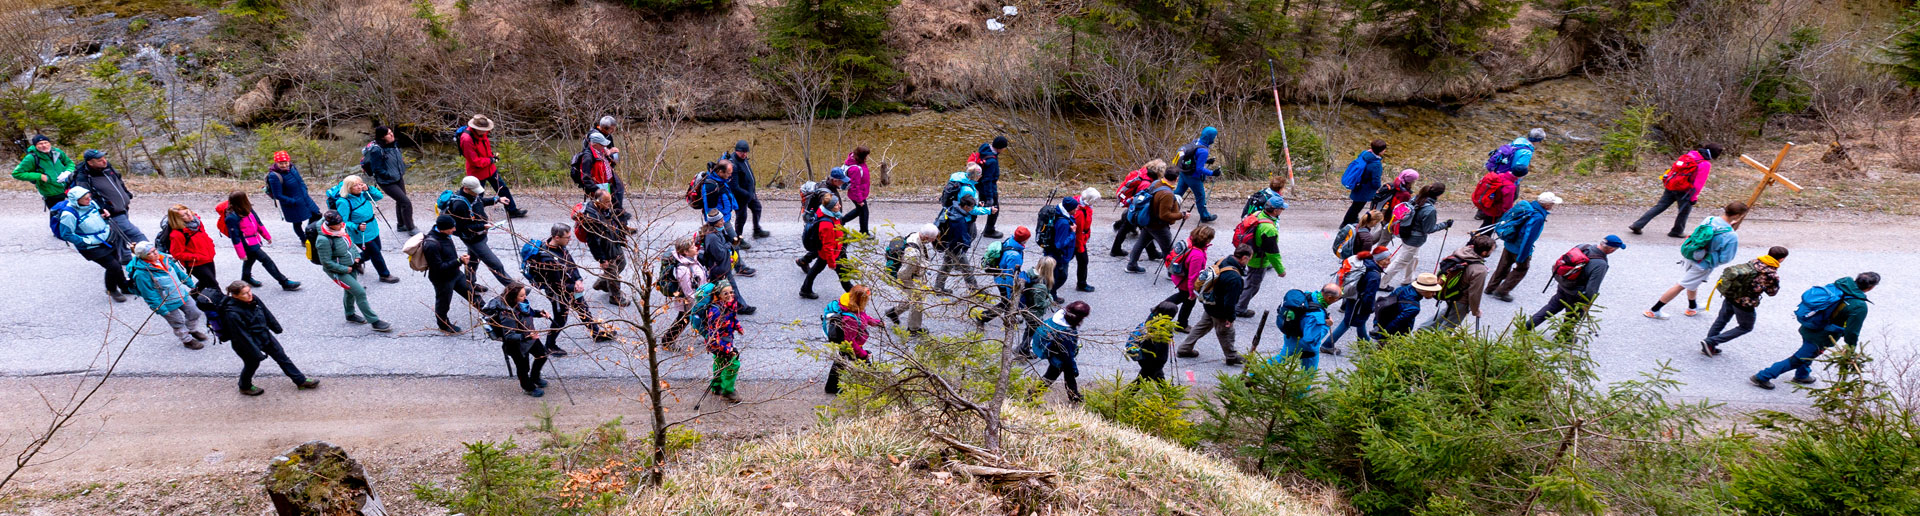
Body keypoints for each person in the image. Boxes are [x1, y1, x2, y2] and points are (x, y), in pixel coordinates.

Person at [1750, 272, 1877, 390]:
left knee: (1808, 352)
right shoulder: (1859, 305)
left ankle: (1802, 375)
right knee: (1799, 358)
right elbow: (1852, 331)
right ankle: (1762, 376)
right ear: (1871, 288)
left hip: (1810, 325)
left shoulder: (1841, 285)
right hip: (1823, 336)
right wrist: (1851, 348)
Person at [1645, 202, 1747, 320]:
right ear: (1737, 216)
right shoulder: (1731, 235)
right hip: (1703, 264)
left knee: (1693, 282)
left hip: (1691, 254)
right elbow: (1726, 258)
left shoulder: (1710, 219)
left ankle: (1692, 307)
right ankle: (1654, 310)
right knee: (1681, 285)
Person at [219, 281, 318, 396]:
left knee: (281, 356)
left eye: (249, 291)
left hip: (263, 335)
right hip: (245, 343)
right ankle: (244, 386)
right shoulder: (232, 314)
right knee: (252, 364)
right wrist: (256, 353)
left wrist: (276, 327)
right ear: (235, 296)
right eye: (245, 293)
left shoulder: (253, 299)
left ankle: (300, 381)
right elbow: (242, 336)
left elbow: (265, 312)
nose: (250, 294)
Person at [525, 224, 609, 356]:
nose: (570, 240)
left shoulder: (560, 246)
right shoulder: (547, 259)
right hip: (558, 294)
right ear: (557, 237)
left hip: (572, 287)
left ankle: (596, 333)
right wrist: (574, 287)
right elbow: (556, 285)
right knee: (560, 319)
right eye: (568, 237)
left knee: (583, 308)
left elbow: (571, 264)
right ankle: (550, 345)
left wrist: (578, 279)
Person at [1701, 246, 1787, 356]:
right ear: (1781, 259)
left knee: (1722, 320)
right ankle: (1711, 342)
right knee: (1746, 327)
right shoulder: (1771, 274)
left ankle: (1709, 346)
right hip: (1745, 303)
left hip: (1731, 294)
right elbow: (1772, 293)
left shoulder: (1755, 261)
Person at [314, 211, 392, 332]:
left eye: (341, 223)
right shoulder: (323, 240)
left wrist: (357, 257)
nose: (341, 225)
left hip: (351, 266)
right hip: (338, 271)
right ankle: (374, 321)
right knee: (360, 292)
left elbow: (350, 245)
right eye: (337, 224)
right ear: (330, 225)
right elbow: (326, 262)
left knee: (350, 291)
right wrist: (345, 269)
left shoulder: (341, 229)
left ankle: (350, 314)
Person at [62, 149, 144, 261]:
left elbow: (118, 181)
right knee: (134, 233)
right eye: (99, 160)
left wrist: (126, 193)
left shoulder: (107, 168)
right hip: (111, 212)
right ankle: (153, 255)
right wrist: (103, 208)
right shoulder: (83, 176)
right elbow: (86, 197)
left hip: (122, 207)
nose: (104, 161)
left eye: (104, 158)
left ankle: (124, 258)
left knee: (119, 234)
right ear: (90, 162)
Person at [1176, 245, 1251, 366]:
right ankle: (1231, 357)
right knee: (1226, 332)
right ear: (1244, 258)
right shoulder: (1234, 278)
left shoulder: (1222, 261)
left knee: (1201, 327)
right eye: (1249, 259)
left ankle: (1184, 348)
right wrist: (1230, 318)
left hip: (1209, 303)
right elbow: (1230, 302)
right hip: (1220, 310)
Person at [1529, 235, 1625, 329]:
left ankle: (1526, 327)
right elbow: (1592, 288)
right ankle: (1563, 337)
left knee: (1550, 308)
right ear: (1611, 250)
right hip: (1576, 295)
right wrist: (1587, 303)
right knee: (1572, 318)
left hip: (1563, 285)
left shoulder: (1583, 246)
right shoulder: (1601, 264)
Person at [126, 242, 210, 349]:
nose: (155, 253)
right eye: (150, 253)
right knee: (177, 322)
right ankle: (187, 340)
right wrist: (161, 309)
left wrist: (190, 284)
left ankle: (191, 330)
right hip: (166, 302)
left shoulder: (164, 259)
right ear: (142, 256)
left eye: (154, 250)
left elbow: (178, 272)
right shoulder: (141, 274)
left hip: (181, 294)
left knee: (195, 312)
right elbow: (149, 294)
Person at [56, 187, 134, 302]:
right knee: (113, 266)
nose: (89, 200)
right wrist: (86, 241)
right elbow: (66, 234)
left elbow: (99, 215)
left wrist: (105, 216)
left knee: (116, 262)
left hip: (107, 239)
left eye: (89, 197)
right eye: (86, 198)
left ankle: (124, 286)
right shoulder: (68, 215)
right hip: (91, 247)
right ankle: (111, 290)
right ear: (76, 200)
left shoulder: (91, 203)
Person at [1630, 143, 1723, 238]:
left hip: (1672, 184)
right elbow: (1698, 184)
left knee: (1659, 207)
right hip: (1685, 190)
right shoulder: (1705, 164)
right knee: (1684, 212)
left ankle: (1637, 225)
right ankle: (1677, 231)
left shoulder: (1691, 154)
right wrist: (1694, 197)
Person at [1484, 192, 1560, 302]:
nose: (1553, 206)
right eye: (1552, 204)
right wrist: (1523, 254)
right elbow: (1528, 237)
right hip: (1520, 247)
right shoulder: (1538, 217)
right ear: (1547, 205)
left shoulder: (1529, 207)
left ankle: (1490, 287)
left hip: (1510, 242)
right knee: (1521, 269)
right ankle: (1502, 291)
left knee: (1503, 266)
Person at [445, 176, 515, 291]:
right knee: (495, 264)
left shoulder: (472, 196)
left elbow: (480, 202)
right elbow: (464, 228)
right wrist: (483, 226)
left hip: (480, 235)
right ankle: (514, 289)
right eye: (475, 191)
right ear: (466, 188)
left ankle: (469, 285)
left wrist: (497, 199)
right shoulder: (460, 205)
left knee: (473, 261)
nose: (477, 193)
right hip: (473, 239)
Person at [327, 176, 400, 284]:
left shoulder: (363, 194)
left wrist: (369, 188)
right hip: (360, 233)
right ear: (348, 188)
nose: (359, 187)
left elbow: (379, 196)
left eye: (360, 184)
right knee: (375, 254)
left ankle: (355, 262)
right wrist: (356, 226)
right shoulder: (344, 202)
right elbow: (342, 222)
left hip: (372, 228)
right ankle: (384, 275)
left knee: (375, 250)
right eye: (355, 185)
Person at [223, 192, 301, 291]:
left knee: (250, 259)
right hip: (248, 245)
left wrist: (266, 236)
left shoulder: (248, 209)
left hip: (254, 240)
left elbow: (258, 223)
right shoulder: (231, 218)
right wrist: (241, 254)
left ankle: (246, 278)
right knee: (266, 261)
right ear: (242, 200)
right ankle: (284, 282)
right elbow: (235, 238)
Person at [484, 283, 551, 397]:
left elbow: (528, 312)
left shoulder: (521, 304)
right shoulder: (507, 314)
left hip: (530, 336)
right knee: (523, 368)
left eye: (525, 294)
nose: (525, 297)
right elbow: (509, 336)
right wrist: (527, 336)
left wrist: (539, 313)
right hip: (516, 345)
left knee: (542, 355)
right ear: (513, 298)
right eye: (522, 295)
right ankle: (528, 388)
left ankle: (535, 377)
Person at [1382, 182, 1453, 288]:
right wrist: (1445, 225)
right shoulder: (1430, 210)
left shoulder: (1416, 198)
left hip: (1405, 232)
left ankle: (1408, 279)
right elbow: (1428, 229)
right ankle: (1381, 283)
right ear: (1440, 194)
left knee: (1413, 257)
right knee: (1400, 262)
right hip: (1414, 239)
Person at [459, 114, 528, 219]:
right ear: (476, 128)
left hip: (490, 168)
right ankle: (473, 216)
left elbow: (486, 149)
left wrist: (492, 157)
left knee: (503, 189)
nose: (486, 131)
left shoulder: (482, 133)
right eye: (483, 129)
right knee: (477, 195)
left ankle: (512, 211)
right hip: (477, 172)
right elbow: (474, 161)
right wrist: (491, 160)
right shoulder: (466, 139)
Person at [1323, 250, 1389, 354]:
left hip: (1353, 297)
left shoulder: (1367, 263)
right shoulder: (1374, 275)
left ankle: (1364, 344)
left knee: (1360, 322)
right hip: (1359, 303)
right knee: (1347, 323)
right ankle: (1327, 345)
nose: (1389, 262)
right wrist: (1370, 308)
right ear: (1379, 260)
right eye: (1386, 259)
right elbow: (1369, 295)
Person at [1233, 196, 1288, 318]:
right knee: (1252, 286)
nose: (1282, 211)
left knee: (1249, 282)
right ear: (1275, 210)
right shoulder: (1269, 229)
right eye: (1282, 209)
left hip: (1249, 255)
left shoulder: (1258, 214)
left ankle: (1237, 302)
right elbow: (1273, 253)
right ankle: (1239, 308)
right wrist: (1280, 270)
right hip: (1258, 261)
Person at [824, 285, 885, 395]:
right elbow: (850, 341)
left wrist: (877, 323)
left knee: (840, 363)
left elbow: (864, 317)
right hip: (851, 346)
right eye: (866, 299)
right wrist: (863, 354)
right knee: (861, 363)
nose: (868, 301)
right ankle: (877, 387)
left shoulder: (854, 307)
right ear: (860, 300)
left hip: (852, 344)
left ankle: (831, 387)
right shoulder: (850, 319)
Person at [1424, 235, 1495, 330]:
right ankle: (1429, 335)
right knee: (1448, 327)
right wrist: (1475, 311)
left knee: (1446, 314)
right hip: (1461, 301)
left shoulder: (1462, 252)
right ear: (1484, 252)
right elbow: (1474, 294)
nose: (1492, 251)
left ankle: (1423, 329)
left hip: (1450, 293)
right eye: (1491, 250)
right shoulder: (1480, 270)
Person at [425, 214, 480, 333]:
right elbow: (438, 268)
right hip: (442, 279)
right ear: (442, 229)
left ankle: (491, 314)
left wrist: (459, 261)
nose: (454, 230)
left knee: (472, 293)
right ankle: (443, 325)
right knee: (443, 303)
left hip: (455, 273)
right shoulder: (431, 245)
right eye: (451, 228)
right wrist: (459, 261)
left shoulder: (445, 234)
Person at [577, 189, 630, 307]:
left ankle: (603, 282)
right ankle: (615, 297)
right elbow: (592, 242)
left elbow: (615, 221)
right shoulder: (591, 217)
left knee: (622, 263)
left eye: (610, 201)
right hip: (605, 249)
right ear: (597, 201)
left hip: (613, 242)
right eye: (606, 202)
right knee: (613, 272)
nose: (610, 204)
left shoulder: (605, 209)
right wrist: (601, 259)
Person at [933, 194, 995, 294]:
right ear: (965, 206)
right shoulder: (958, 220)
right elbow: (962, 237)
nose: (972, 209)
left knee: (947, 265)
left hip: (948, 244)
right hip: (955, 247)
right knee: (967, 269)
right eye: (971, 207)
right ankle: (974, 290)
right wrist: (965, 246)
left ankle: (938, 287)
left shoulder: (954, 208)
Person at [1124, 168, 1183, 273]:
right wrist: (1181, 215)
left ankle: (1131, 265)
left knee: (1141, 243)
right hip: (1158, 226)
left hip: (1147, 221)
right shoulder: (1167, 194)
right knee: (1168, 250)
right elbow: (1164, 215)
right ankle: (1172, 273)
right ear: (1177, 178)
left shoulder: (1156, 183)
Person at [884, 225, 941, 334]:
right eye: (933, 238)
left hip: (912, 276)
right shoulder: (913, 253)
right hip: (908, 278)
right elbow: (905, 271)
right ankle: (914, 328)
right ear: (926, 237)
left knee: (914, 297)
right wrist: (905, 283)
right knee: (917, 300)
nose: (934, 240)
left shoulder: (915, 236)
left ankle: (894, 312)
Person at [699, 211, 757, 315]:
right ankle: (737, 307)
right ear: (715, 222)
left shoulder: (717, 231)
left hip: (721, 267)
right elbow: (720, 255)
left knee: (726, 288)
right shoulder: (712, 237)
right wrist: (730, 245)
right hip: (719, 269)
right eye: (720, 220)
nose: (723, 221)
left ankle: (737, 306)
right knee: (728, 288)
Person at [360, 126, 416, 234]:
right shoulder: (377, 150)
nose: (391, 135)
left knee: (401, 201)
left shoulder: (394, 144)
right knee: (406, 202)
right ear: (382, 137)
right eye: (388, 134)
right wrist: (388, 175)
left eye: (391, 132)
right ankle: (411, 228)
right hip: (386, 181)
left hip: (398, 177)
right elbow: (376, 169)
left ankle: (401, 225)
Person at [263, 151, 323, 250]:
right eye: (281, 163)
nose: (284, 165)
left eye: (285, 162)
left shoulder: (292, 167)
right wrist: (293, 201)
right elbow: (278, 195)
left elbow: (300, 181)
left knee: (317, 214)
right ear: (276, 163)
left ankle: (309, 233)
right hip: (292, 204)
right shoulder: (274, 175)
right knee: (297, 223)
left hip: (304, 198)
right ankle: (304, 239)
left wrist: (305, 189)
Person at [1274, 284, 1340, 374]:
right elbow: (1311, 339)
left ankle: (1256, 372)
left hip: (1291, 335)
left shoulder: (1311, 295)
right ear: (1329, 298)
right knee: (1308, 372)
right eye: (1337, 299)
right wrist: (1327, 325)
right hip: (1303, 345)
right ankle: (1257, 373)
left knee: (1281, 359)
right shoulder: (1317, 317)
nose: (1337, 300)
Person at [1033, 301, 1091, 403]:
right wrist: (1074, 368)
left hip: (1054, 350)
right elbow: (1067, 356)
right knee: (1051, 376)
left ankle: (1074, 396)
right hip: (1059, 356)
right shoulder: (1067, 334)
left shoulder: (1059, 317)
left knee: (1067, 376)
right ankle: (1031, 397)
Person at [799, 196, 854, 299]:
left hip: (831, 251)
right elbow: (828, 246)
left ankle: (805, 289)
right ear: (830, 208)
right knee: (842, 273)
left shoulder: (829, 214)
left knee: (815, 269)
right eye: (837, 205)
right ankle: (854, 294)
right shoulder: (827, 225)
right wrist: (831, 262)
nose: (840, 206)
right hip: (831, 253)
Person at [1162, 225, 1214, 333]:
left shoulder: (1190, 241)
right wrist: (1192, 292)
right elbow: (1193, 276)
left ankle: (1160, 308)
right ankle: (1181, 324)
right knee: (1188, 302)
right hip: (1185, 282)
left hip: (1178, 277)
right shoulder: (1197, 255)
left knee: (1181, 296)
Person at [975, 227, 1030, 327]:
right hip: (1004, 281)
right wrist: (1011, 293)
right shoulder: (1014, 256)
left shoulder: (1011, 241)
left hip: (999, 276)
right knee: (1006, 303)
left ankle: (1009, 317)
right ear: (1024, 240)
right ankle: (983, 317)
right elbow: (1010, 276)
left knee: (1006, 303)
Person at [701, 280, 745, 404]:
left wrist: (738, 327)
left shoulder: (729, 305)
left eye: (731, 292)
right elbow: (713, 337)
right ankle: (728, 391)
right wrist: (727, 349)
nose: (730, 295)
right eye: (726, 293)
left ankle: (716, 386)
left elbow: (733, 318)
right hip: (718, 344)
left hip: (726, 339)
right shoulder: (715, 312)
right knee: (733, 363)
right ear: (719, 295)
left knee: (720, 361)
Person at [660, 238, 709, 346]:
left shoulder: (692, 260)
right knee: (683, 320)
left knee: (699, 317)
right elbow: (688, 291)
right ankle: (667, 341)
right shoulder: (683, 269)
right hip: (690, 302)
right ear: (686, 252)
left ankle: (709, 336)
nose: (696, 248)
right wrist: (700, 303)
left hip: (700, 297)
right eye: (692, 247)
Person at [1111, 160, 1167, 254]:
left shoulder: (1143, 173)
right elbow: (1142, 199)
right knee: (1144, 228)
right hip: (1137, 207)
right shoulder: (1147, 183)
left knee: (1126, 227)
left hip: (1133, 205)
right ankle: (1151, 253)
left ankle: (1115, 249)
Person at [161, 205, 218, 292]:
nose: (189, 215)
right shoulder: (177, 234)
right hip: (195, 264)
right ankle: (222, 301)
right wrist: (197, 257)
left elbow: (204, 235)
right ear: (178, 219)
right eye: (184, 215)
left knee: (205, 282)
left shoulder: (197, 222)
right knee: (213, 286)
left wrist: (210, 245)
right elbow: (177, 254)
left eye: (187, 211)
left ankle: (191, 298)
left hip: (207, 258)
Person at [1173, 127, 1221, 222]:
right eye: (1214, 137)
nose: (1214, 139)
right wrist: (1212, 173)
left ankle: (1167, 208)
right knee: (1200, 196)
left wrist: (1206, 161)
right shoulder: (1204, 151)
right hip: (1193, 177)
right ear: (1210, 137)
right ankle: (1205, 216)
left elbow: (1193, 157)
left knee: (1178, 193)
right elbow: (1199, 169)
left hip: (1184, 172)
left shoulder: (1196, 141)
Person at [721, 140, 768, 238]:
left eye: (746, 152)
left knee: (757, 208)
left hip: (750, 193)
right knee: (741, 217)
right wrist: (747, 194)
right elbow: (734, 187)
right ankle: (738, 238)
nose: (744, 154)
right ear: (736, 151)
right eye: (742, 152)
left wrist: (751, 192)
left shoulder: (744, 159)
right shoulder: (733, 165)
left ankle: (757, 230)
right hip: (740, 196)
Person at [13, 135, 75, 209]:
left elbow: (69, 163)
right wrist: (40, 176)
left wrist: (68, 172)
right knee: (57, 214)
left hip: (68, 188)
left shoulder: (57, 152)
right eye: (40, 144)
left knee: (74, 213)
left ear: (49, 143)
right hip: (51, 192)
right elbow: (17, 173)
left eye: (46, 142)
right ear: (35, 146)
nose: (44, 145)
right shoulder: (31, 158)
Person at [1375, 273, 1441, 337]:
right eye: (1432, 291)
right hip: (1396, 335)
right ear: (1424, 290)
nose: (1434, 294)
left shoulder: (1401, 289)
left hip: (1382, 323)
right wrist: (1383, 335)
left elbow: (1385, 303)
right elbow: (1396, 324)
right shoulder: (1413, 308)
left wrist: (1377, 326)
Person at [1038, 195, 1079, 295]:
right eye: (1074, 208)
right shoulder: (1063, 223)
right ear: (1069, 209)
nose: (1076, 210)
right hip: (1059, 255)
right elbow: (1060, 244)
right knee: (1061, 277)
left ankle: (1049, 293)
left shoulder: (1059, 212)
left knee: (1051, 275)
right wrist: (1072, 233)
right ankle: (1051, 295)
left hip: (1052, 252)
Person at [1130, 302, 1180, 383]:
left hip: (1143, 355)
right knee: (1141, 381)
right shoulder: (1161, 333)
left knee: (1159, 377)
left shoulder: (1151, 319)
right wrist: (1160, 365)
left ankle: (1165, 391)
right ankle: (1127, 392)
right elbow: (1161, 356)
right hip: (1152, 361)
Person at [1340, 139, 1387, 226]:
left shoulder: (1364, 154)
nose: (1385, 151)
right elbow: (1375, 180)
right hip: (1365, 189)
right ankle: (1346, 223)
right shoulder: (1376, 165)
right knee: (1357, 207)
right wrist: (1377, 188)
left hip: (1358, 184)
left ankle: (1354, 219)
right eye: (1384, 149)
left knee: (1355, 205)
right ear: (1380, 151)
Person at [975, 136, 1010, 238]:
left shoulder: (985, 148)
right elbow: (988, 180)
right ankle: (989, 231)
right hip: (987, 187)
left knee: (979, 205)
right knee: (994, 209)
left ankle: (968, 224)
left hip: (979, 184)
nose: (1004, 149)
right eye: (1004, 147)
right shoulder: (992, 161)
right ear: (1000, 148)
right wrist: (990, 197)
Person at [1067, 188, 1099, 292]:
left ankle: (1047, 276)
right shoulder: (1080, 213)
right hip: (1078, 242)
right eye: (1094, 201)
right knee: (1083, 261)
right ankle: (1081, 284)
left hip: (1078, 240)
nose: (1095, 203)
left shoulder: (1079, 203)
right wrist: (1080, 247)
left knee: (1064, 260)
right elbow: (1079, 232)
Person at [841, 146, 874, 234]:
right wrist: (859, 200)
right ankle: (864, 232)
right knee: (864, 212)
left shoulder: (858, 161)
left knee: (860, 210)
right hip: (857, 194)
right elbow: (855, 186)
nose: (868, 157)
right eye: (867, 155)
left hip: (861, 192)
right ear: (862, 156)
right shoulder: (855, 169)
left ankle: (842, 221)